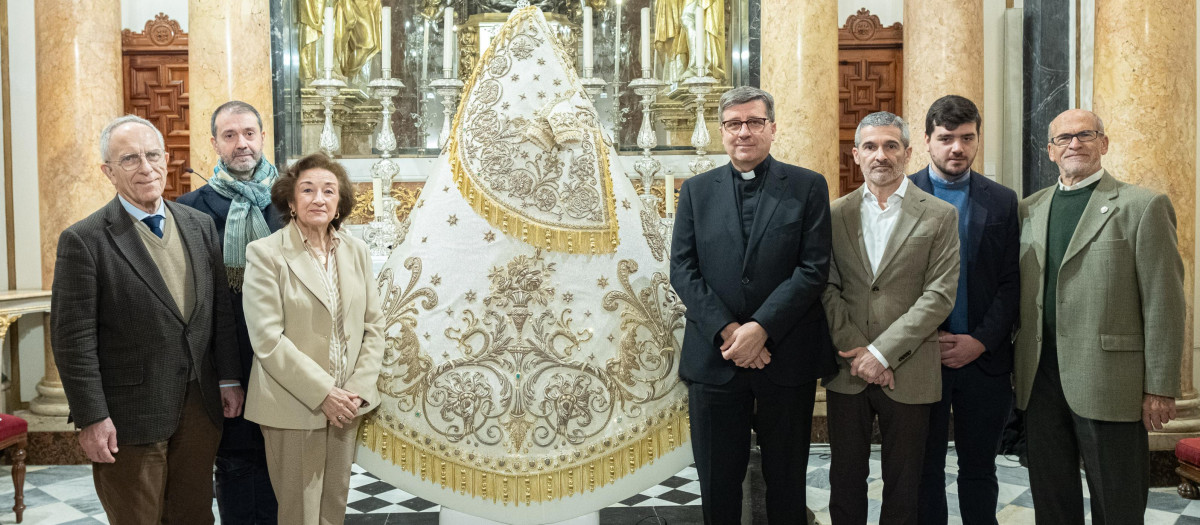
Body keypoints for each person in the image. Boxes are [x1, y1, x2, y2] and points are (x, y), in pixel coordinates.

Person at [50, 114, 244, 524]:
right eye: (130, 159)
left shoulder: (199, 225)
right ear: (108, 171)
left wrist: (227, 377)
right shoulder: (85, 240)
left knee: (194, 516)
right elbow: (73, 338)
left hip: (199, 406)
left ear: (167, 158)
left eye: (153, 155)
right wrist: (91, 416)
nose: (146, 168)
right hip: (128, 415)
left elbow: (219, 312)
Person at [670, 86, 835, 524]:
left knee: (786, 483)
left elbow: (813, 269)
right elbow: (682, 269)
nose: (744, 132)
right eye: (734, 124)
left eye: (754, 122)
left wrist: (760, 328)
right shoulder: (696, 191)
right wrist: (731, 332)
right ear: (722, 132)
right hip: (715, 360)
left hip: (785, 357)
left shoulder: (807, 186)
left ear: (772, 128)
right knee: (717, 485)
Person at [1014, 108, 1183, 524]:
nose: (1075, 144)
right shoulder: (1029, 209)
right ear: (1050, 151)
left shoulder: (1141, 206)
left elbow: (1165, 301)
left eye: (1085, 135)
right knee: (1051, 499)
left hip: (1110, 379)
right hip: (1040, 379)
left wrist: (1159, 386)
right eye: (1064, 139)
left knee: (1118, 501)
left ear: (1103, 143)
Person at [822, 111, 959, 525]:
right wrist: (858, 351)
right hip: (847, 368)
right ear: (856, 155)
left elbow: (939, 295)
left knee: (905, 483)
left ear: (908, 152)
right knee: (845, 478)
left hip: (911, 367)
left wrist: (881, 354)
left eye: (890, 145)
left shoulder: (939, 214)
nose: (880, 155)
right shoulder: (834, 214)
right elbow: (825, 287)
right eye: (870, 146)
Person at [243, 152, 385, 524]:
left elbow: (374, 326)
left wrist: (356, 389)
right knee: (299, 513)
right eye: (307, 190)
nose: (318, 198)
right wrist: (325, 393)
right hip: (294, 405)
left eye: (328, 191)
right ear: (291, 201)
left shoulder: (357, 251)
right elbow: (267, 339)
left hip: (346, 406)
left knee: (333, 507)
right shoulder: (265, 254)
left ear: (339, 203)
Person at [911, 96, 1019, 525]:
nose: (957, 147)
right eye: (946, 138)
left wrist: (979, 341)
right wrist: (921, 339)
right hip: (920, 358)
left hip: (983, 359)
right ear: (927, 141)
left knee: (980, 469)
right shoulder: (902, 194)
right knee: (924, 471)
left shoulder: (1003, 200)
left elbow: (1012, 281)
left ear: (977, 139)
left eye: (967, 138)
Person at [177, 100, 282, 523]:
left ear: (262, 137)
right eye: (230, 135)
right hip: (229, 357)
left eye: (249, 133)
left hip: (286, 360)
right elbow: (194, 303)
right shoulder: (189, 209)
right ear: (215, 143)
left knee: (287, 469)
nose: (242, 144)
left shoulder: (293, 200)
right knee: (237, 466)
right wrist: (225, 376)